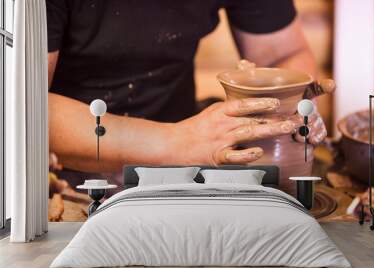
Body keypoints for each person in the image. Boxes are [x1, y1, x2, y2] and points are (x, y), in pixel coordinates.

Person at [46, 0, 326, 174]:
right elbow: (22, 104)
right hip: (66, 161)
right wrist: (178, 142)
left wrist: (294, 109)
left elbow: (283, 54)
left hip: (184, 153)